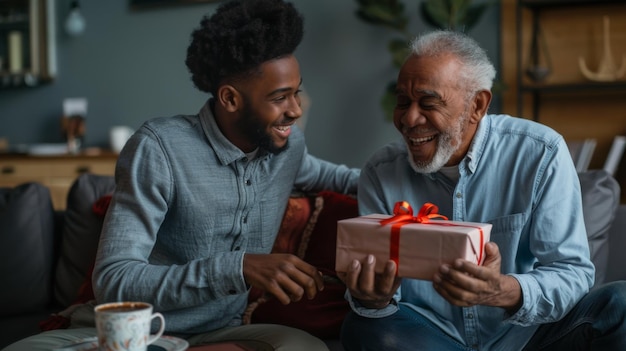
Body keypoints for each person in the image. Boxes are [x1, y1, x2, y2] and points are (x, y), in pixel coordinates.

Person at [4, 1, 358, 350]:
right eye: (280, 98)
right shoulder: (159, 148)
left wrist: (410, 168)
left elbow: (346, 180)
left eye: (296, 93)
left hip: (222, 333)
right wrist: (236, 268)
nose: (295, 110)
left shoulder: (287, 147)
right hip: (136, 332)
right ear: (230, 98)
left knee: (304, 347)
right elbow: (114, 279)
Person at [338, 30, 626, 350]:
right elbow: (383, 297)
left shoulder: (541, 152)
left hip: (529, 337)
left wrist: (502, 290)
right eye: (403, 102)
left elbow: (572, 274)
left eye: (428, 102)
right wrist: (373, 299)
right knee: (363, 328)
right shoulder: (381, 172)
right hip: (433, 336)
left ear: (476, 105)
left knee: (621, 303)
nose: (409, 118)